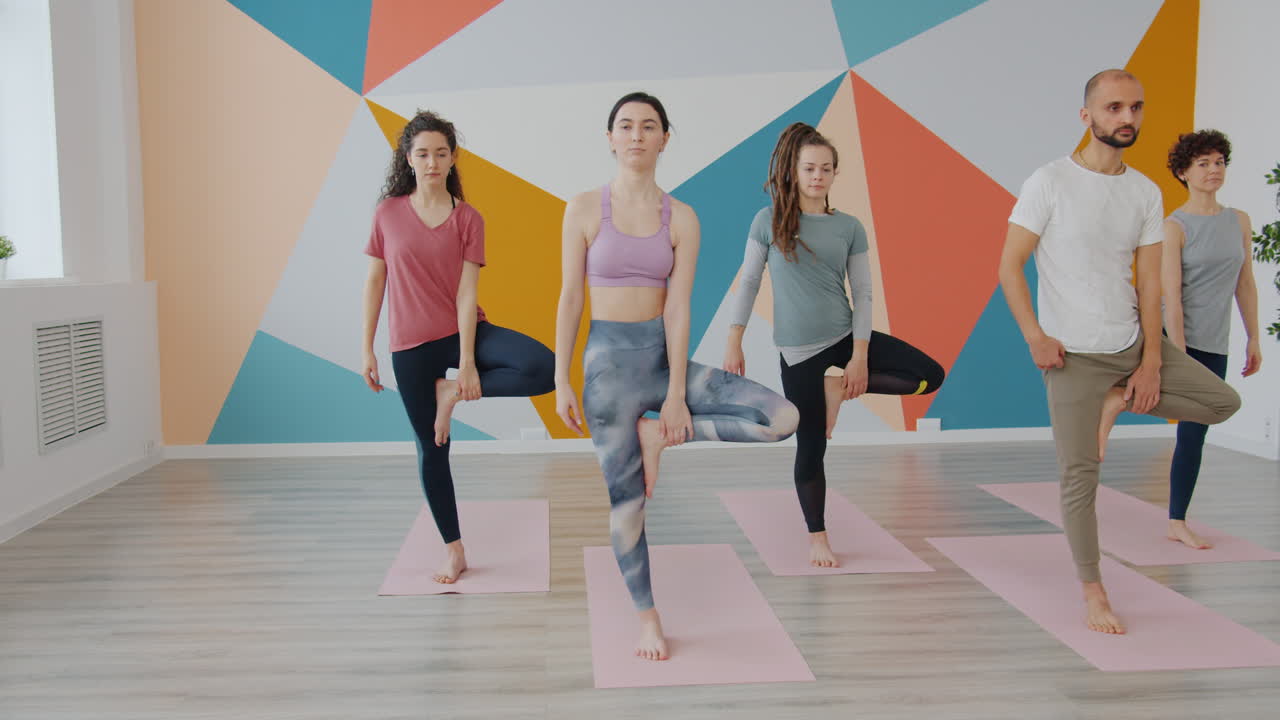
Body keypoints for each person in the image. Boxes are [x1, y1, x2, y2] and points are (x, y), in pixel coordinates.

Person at [554, 92, 799, 661]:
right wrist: (561, 379)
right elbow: (570, 298)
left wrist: (673, 400)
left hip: (663, 363)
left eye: (648, 126)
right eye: (625, 126)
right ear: (610, 137)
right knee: (627, 505)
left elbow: (679, 309)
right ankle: (648, 617)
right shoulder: (584, 209)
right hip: (607, 375)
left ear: (666, 138)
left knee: (782, 418)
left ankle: (657, 434)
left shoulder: (681, 217)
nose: (636, 135)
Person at [998, 70, 1241, 634]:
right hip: (1072, 358)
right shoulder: (1049, 182)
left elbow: (1151, 282)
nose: (1126, 118)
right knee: (1080, 477)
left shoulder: (1146, 192)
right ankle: (1094, 591)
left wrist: (1152, 359)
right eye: (1113, 108)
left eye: (1135, 107)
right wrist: (1035, 336)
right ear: (1087, 116)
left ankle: (1118, 400)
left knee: (1222, 403)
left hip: (1132, 343)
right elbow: (1009, 266)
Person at [724, 122, 944, 569]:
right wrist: (734, 339)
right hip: (798, 352)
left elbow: (862, 293)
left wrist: (859, 356)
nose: (817, 176)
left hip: (845, 336)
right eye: (809, 168)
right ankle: (817, 537)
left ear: (834, 173)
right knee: (811, 448)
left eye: (825, 168)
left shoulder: (849, 227)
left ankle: (837, 388)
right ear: (794, 171)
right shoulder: (768, 221)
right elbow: (748, 281)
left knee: (929, 375)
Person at [362, 110, 555, 585]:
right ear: (408, 159)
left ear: (453, 159)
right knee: (432, 449)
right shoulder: (387, 214)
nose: (432, 162)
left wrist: (467, 366)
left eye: (441, 153)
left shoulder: (468, 218)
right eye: (423, 153)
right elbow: (375, 281)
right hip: (409, 346)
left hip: (462, 332)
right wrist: (366, 347)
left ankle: (449, 394)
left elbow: (468, 294)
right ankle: (454, 550)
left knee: (544, 367)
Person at [1161, 129, 1262, 549]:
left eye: (1219, 162)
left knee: (1196, 429)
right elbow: (1172, 296)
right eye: (1203, 163)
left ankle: (1177, 519)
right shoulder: (1174, 226)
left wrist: (1254, 338)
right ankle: (1177, 521)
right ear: (1184, 172)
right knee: (1190, 427)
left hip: (1217, 340)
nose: (1213, 170)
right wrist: (1181, 352)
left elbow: (1245, 285)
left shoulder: (1238, 221)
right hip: (1179, 336)